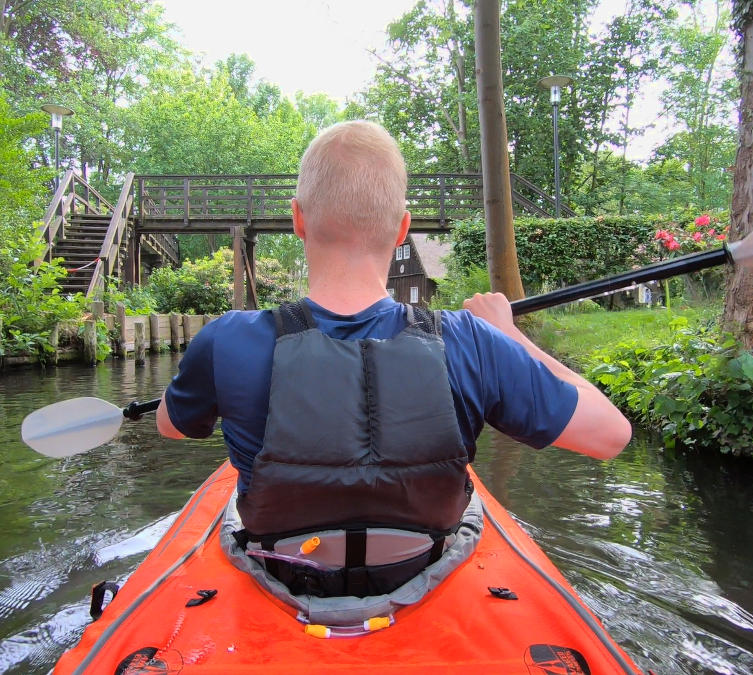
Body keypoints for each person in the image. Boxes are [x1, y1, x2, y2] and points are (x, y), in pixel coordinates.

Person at [156, 121, 631, 600]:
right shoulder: (473, 341)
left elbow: (171, 426)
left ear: (297, 218)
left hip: (280, 572)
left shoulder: (226, 340)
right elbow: (612, 435)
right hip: (420, 571)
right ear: (403, 227)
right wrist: (508, 335)